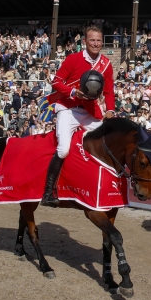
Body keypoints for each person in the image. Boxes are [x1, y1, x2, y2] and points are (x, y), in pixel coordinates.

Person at [41, 25, 115, 207]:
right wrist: (73, 92)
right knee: (64, 149)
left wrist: (110, 110)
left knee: (106, 144)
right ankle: (48, 193)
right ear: (84, 42)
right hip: (68, 108)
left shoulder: (106, 64)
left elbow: (109, 91)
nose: (96, 44)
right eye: (92, 40)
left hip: (89, 110)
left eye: (98, 40)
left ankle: (100, 188)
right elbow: (56, 82)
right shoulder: (73, 59)